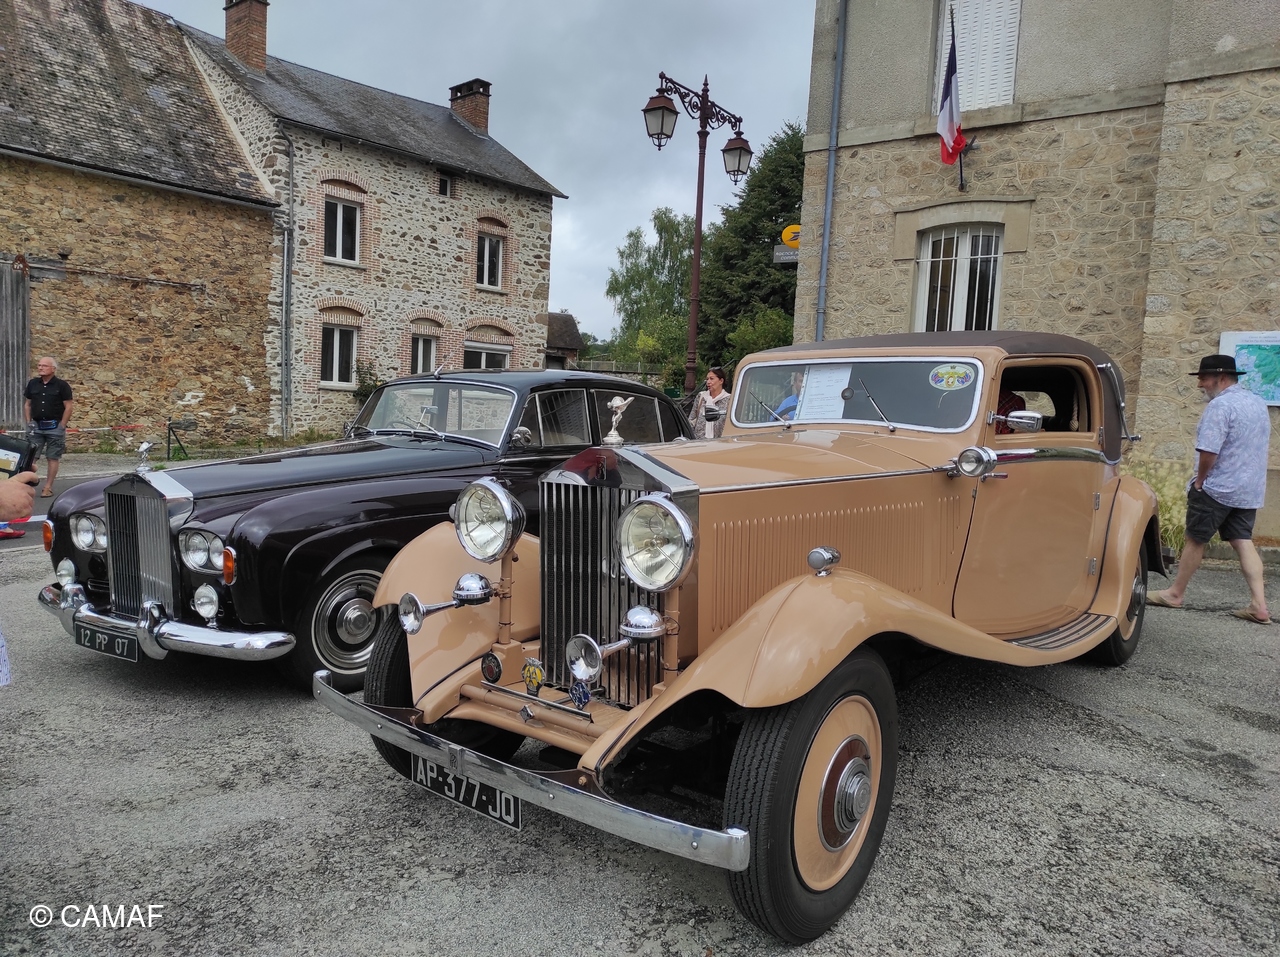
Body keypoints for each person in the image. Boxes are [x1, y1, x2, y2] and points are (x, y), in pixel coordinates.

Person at [1147, 354, 1271, 624]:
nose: (1199, 384)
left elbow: (1209, 451)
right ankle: (1259, 605)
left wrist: (1200, 481)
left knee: (1195, 538)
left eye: (1203, 378)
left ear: (1221, 377)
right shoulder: (1257, 403)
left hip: (1218, 487)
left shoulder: (1220, 406)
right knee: (1243, 540)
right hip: (1248, 489)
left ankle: (1175, 594)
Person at [23, 356, 74, 498]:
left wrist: (62, 425)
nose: (40, 368)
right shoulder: (33, 384)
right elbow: (27, 404)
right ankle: (25, 485)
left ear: (53, 369)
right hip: (36, 427)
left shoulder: (62, 386)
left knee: (52, 457)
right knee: (30, 457)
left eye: (44, 366)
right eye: (39, 365)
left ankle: (48, 487)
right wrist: (29, 422)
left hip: (54, 427)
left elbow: (68, 406)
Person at [690, 366, 731, 439]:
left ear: (721, 381)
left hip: (720, 442)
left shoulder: (729, 400)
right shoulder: (701, 397)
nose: (708, 382)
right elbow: (691, 420)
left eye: (711, 379)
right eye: (707, 379)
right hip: (699, 441)